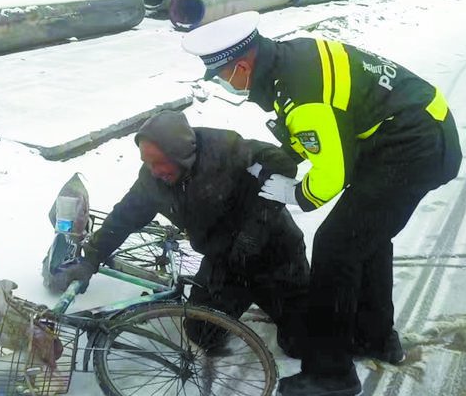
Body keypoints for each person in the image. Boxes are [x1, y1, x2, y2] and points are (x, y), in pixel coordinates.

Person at [182, 12, 462, 396]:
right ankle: (375, 338)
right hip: (407, 130)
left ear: (242, 66)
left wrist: (295, 195)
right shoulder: (289, 58)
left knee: (336, 246)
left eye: (224, 76)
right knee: (368, 237)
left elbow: (332, 170)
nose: (226, 84)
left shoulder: (298, 93)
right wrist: (280, 158)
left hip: (412, 145)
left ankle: (332, 373)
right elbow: (325, 126)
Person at [61, 109, 310, 354]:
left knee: (301, 344)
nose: (154, 170)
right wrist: (91, 259)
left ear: (180, 155)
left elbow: (282, 163)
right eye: (147, 163)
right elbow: (124, 217)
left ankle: (289, 301)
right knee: (201, 332)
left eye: (160, 162)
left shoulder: (225, 149)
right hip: (225, 262)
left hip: (275, 255)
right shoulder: (153, 180)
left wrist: (255, 230)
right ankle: (242, 298)